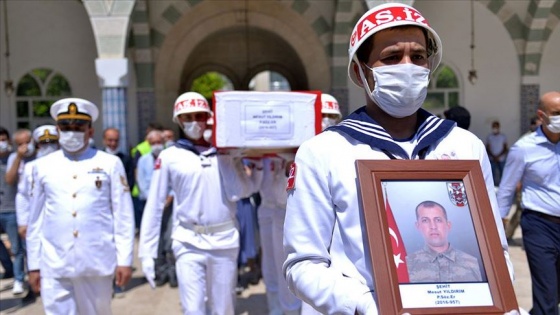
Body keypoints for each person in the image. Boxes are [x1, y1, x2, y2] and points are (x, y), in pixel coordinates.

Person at [282, 3, 514, 314]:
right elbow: (303, 264)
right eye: (392, 57)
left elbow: (494, 250)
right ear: (359, 71)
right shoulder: (323, 152)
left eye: (418, 56)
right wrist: (366, 304)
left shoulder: (465, 146)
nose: (408, 66)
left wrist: (492, 296)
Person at [139, 91, 261, 314]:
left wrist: (257, 167)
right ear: (179, 121)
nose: (194, 122)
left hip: (224, 241)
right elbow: (155, 205)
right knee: (192, 308)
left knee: (223, 308)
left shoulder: (226, 153)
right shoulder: (170, 156)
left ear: (208, 117)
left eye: (199, 115)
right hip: (188, 240)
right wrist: (146, 252)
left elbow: (242, 191)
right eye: (188, 117)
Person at [26, 98, 135, 314]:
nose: (72, 133)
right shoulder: (42, 167)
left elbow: (122, 215)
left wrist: (125, 259)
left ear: (90, 131)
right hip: (55, 263)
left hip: (96, 262)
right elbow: (35, 220)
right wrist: (34, 265)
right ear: (58, 130)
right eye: (66, 128)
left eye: (78, 127)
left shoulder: (109, 163)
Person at [497, 91, 560, 315]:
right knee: (547, 290)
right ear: (541, 116)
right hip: (539, 225)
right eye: (556, 113)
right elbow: (506, 187)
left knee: (555, 292)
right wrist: (498, 224)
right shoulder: (524, 148)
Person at [406, 200, 482, 283]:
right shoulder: (407, 264)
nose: (433, 226)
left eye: (438, 220)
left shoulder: (471, 263)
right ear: (418, 226)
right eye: (425, 220)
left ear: (448, 225)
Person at [2, 128, 35, 295]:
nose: (25, 146)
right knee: (19, 248)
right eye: (20, 144)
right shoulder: (14, 158)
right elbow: (9, 180)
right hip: (20, 209)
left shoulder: (41, 155)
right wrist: (19, 158)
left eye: (27, 142)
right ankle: (20, 279)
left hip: (39, 207)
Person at [16, 125, 60, 239]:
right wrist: (22, 222)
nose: (48, 146)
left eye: (52, 142)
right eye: (44, 143)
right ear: (38, 145)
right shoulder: (29, 167)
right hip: (37, 221)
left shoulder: (68, 165)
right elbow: (23, 195)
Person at [0, 126, 15, 281]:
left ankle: (19, 276)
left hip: (12, 208)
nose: (1, 143)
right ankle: (8, 268)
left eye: (3, 140)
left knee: (17, 247)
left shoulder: (14, 158)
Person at [486, 120, 508, 186]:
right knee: (491, 174)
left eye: (496, 127)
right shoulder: (490, 137)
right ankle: (492, 186)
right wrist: (493, 156)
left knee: (503, 174)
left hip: (501, 159)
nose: (495, 128)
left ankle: (502, 186)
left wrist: (498, 156)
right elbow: (488, 148)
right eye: (493, 127)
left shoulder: (503, 137)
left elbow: (505, 148)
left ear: (499, 127)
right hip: (492, 159)